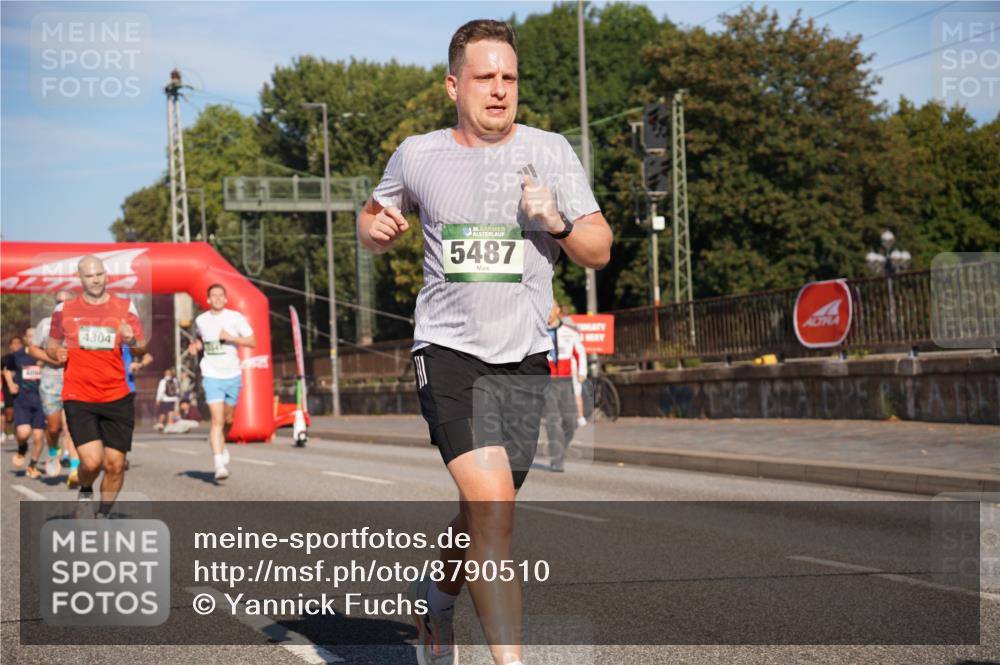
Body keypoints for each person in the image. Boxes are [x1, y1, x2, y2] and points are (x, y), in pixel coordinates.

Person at [357, 19, 611, 665]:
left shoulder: (550, 149)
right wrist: (376, 228)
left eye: (509, 78)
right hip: (446, 351)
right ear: (453, 85)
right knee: (494, 509)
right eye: (484, 77)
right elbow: (372, 213)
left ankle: (436, 596)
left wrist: (556, 221)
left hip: (525, 354)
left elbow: (599, 250)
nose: (499, 90)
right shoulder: (416, 154)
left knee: (484, 510)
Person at [47, 255, 146, 518]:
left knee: (115, 465)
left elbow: (140, 348)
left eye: (99, 274)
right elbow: (52, 345)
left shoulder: (126, 307)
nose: (95, 279)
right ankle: (86, 488)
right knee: (92, 462)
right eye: (89, 275)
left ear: (106, 275)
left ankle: (103, 514)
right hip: (79, 394)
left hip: (116, 395)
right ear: (81, 279)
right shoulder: (63, 310)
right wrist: (57, 354)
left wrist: (131, 338)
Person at [188, 283, 255, 482]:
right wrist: (196, 346)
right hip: (212, 375)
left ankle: (222, 443)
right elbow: (202, 340)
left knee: (228, 420)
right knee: (216, 420)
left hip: (232, 374)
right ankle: (218, 464)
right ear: (207, 300)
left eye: (220, 295)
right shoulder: (201, 319)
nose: (217, 298)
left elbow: (252, 341)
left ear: (225, 299)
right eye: (213, 296)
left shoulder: (235, 318)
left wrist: (231, 337)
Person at [28, 289, 82, 486]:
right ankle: (52, 451)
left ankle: (75, 468)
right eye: (59, 302)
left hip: (74, 379)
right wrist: (51, 357)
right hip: (51, 380)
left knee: (72, 426)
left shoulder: (80, 325)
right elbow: (32, 348)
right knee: (54, 427)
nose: (63, 305)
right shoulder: (45, 324)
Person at [544, 301, 587, 472]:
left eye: (550, 309)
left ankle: (560, 447)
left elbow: (580, 353)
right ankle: (557, 460)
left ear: (557, 310)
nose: (547, 312)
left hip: (565, 381)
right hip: (547, 383)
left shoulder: (570, 333)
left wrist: (582, 372)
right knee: (553, 421)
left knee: (571, 422)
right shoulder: (538, 334)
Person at [4, 335, 48, 479]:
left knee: (38, 436)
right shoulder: (18, 355)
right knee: (23, 433)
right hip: (22, 400)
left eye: (35, 334)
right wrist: (10, 384)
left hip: (41, 400)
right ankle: (22, 447)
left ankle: (32, 466)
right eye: (30, 335)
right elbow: (6, 369)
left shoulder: (46, 354)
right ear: (26, 338)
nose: (33, 337)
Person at [559, 303, 589, 427]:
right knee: (577, 391)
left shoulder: (561, 326)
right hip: (574, 362)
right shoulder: (574, 325)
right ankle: (580, 416)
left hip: (565, 362)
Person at [2, 336, 22, 444]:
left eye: (19, 343)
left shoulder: (25, 357)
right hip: (8, 389)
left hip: (23, 388)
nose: (17, 345)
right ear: (10, 345)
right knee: (9, 413)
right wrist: (7, 374)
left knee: (20, 410)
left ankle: (17, 431)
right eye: (14, 343)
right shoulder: (5, 358)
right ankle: (6, 431)